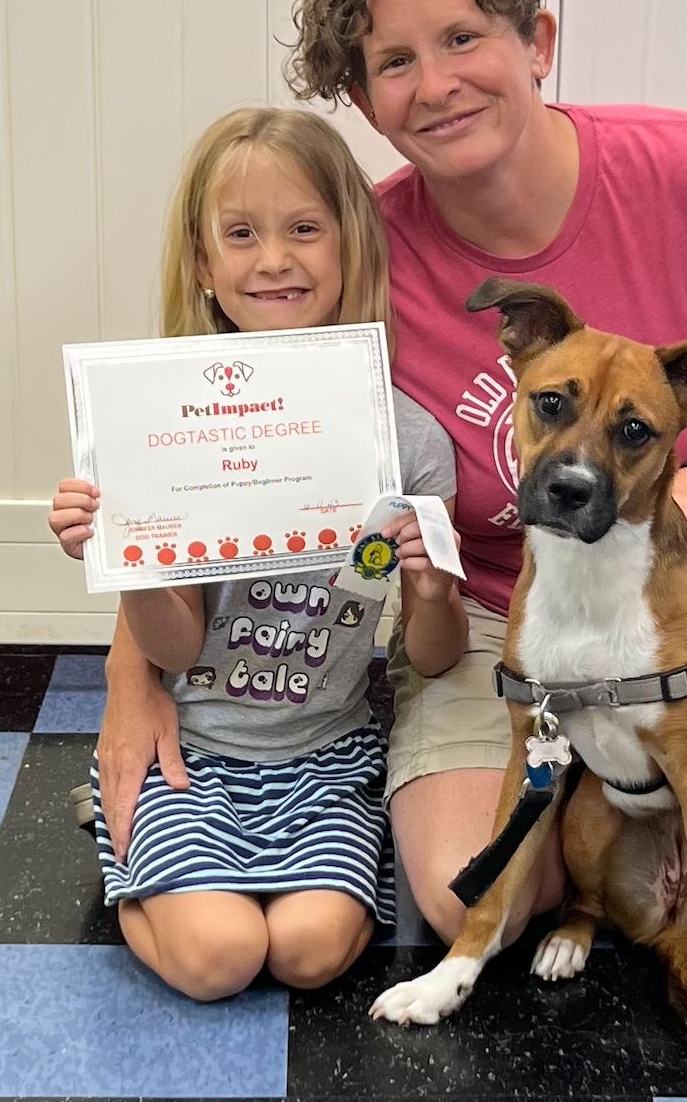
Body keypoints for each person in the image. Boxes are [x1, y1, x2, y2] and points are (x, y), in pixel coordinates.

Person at [98, 0, 687, 957]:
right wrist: (132, 680)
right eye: (394, 61)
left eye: (462, 37)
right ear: (362, 95)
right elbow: (212, 445)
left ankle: (671, 818)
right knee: (472, 904)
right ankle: (626, 826)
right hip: (498, 610)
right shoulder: (359, 253)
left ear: (535, 41)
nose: (436, 83)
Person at [51, 107, 467, 1000]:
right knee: (220, 957)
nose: (273, 259)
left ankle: (211, 873)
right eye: (240, 235)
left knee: (309, 951)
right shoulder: (165, 423)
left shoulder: (411, 445)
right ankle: (132, 864)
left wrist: (432, 591)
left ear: (353, 243)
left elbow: (435, 656)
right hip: (192, 752)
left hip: (330, 751)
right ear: (205, 264)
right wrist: (132, 561)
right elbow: (175, 650)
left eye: (304, 229)